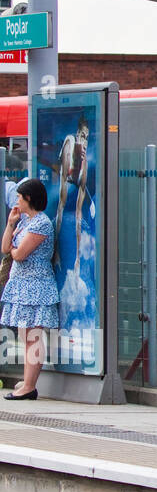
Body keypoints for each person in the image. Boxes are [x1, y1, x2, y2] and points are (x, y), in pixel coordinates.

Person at [1, 178, 57, 400]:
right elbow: (6, 248)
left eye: (19, 197)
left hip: (36, 285)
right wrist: (10, 223)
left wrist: (15, 250)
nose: (16, 200)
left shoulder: (41, 223)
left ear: (29, 198)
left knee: (33, 335)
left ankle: (30, 387)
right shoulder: (24, 221)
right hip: (22, 286)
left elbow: (19, 254)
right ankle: (28, 381)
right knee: (26, 336)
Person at [53, 118, 90, 275]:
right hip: (63, 197)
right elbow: (61, 199)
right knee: (61, 209)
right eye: (82, 135)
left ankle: (76, 260)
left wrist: (77, 259)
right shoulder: (69, 142)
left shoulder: (85, 161)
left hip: (73, 209)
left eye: (86, 138)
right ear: (77, 134)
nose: (84, 141)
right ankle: (58, 254)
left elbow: (78, 211)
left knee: (77, 216)